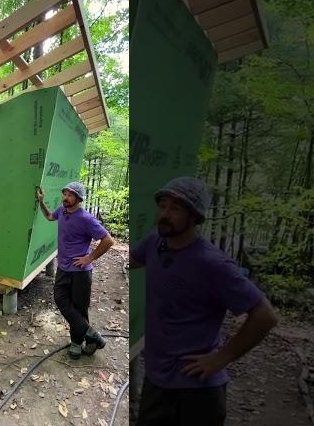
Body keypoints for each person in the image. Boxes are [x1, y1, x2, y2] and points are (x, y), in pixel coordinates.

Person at [130, 177, 278, 426]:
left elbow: (265, 316)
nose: (165, 214)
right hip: (156, 381)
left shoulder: (212, 263)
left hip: (196, 388)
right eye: (163, 206)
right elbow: (131, 260)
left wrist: (221, 358)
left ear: (194, 216)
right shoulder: (153, 243)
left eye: (175, 209)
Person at [36, 181, 115, 359]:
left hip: (81, 272)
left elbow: (108, 240)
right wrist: (41, 201)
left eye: (70, 195)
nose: (66, 197)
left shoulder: (86, 218)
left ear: (78, 199)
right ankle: (92, 335)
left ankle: (77, 343)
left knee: (79, 308)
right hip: (64, 268)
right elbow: (49, 217)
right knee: (60, 299)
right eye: (65, 194)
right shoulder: (62, 212)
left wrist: (90, 257)